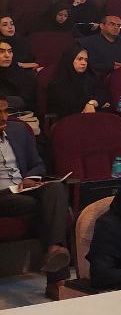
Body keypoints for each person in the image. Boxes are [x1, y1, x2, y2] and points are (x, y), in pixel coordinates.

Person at [0, 98, 71, 294]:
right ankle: (58, 281)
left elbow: (38, 164)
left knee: (55, 188)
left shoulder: (19, 131)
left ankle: (54, 249)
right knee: (50, 208)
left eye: (6, 111)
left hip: (23, 190)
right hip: (2, 195)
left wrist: (30, 178)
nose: (4, 117)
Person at [45, 47, 105, 125]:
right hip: (67, 123)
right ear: (69, 60)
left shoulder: (92, 77)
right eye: (80, 59)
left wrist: (91, 103)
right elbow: (67, 107)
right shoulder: (57, 83)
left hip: (92, 121)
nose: (84, 63)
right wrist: (95, 104)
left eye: (86, 60)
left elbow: (103, 95)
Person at [0, 41, 38, 113]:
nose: (7, 55)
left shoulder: (22, 75)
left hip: (20, 116)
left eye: (10, 51)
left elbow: (27, 102)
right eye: (1, 52)